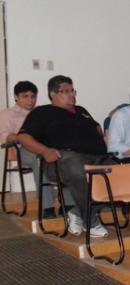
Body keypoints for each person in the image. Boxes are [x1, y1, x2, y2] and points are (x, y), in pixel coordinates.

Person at [17, 75, 108, 237]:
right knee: (75, 165)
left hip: (96, 158)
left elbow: (96, 128)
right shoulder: (42, 112)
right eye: (66, 91)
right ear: (53, 94)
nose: (72, 94)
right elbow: (23, 137)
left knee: (124, 172)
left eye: (72, 90)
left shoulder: (81, 111)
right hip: (61, 161)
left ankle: (76, 212)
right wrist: (45, 151)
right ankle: (90, 220)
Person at [0, 81, 69, 219]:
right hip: (22, 150)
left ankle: (67, 204)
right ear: (16, 97)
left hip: (46, 147)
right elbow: (4, 136)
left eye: (33, 96)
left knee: (66, 158)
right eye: (25, 96)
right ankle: (47, 206)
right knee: (40, 159)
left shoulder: (42, 112)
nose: (30, 100)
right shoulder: (7, 114)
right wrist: (23, 137)